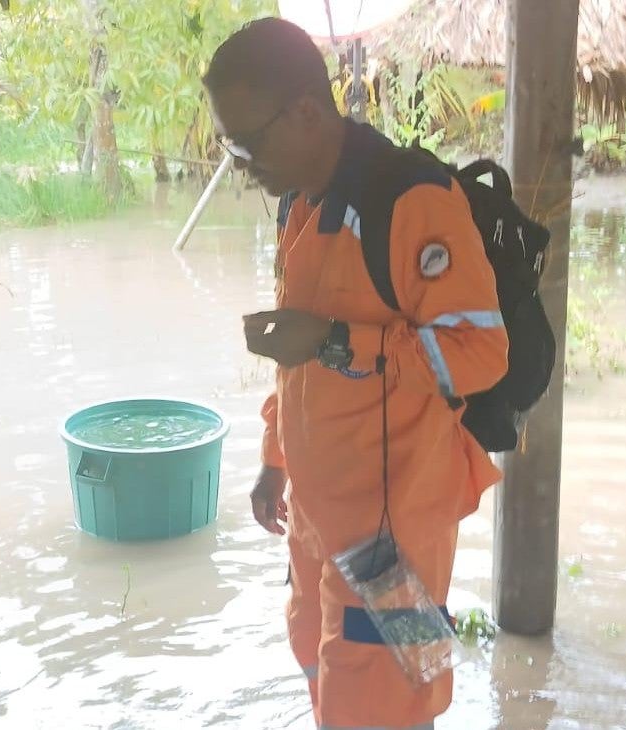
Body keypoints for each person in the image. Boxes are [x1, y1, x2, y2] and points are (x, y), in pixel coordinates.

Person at [203, 19, 509, 729]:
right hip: (316, 517)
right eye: (229, 146)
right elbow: (298, 364)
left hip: (391, 534)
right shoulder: (299, 204)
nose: (241, 164)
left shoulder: (411, 200)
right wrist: (274, 459)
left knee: (390, 702)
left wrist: (340, 341)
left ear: (307, 112)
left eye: (247, 144)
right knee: (322, 669)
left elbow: (480, 354)